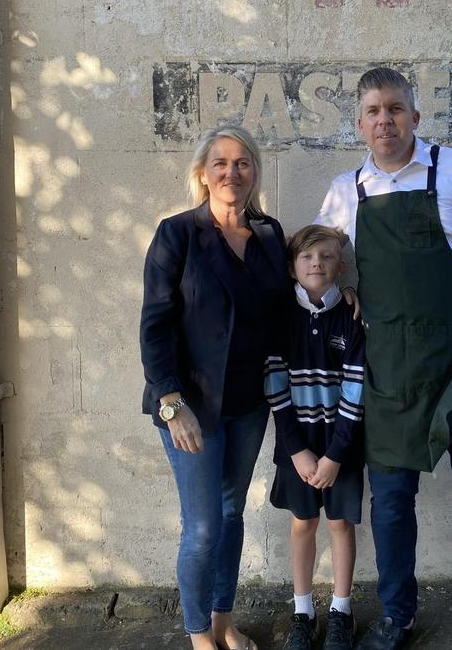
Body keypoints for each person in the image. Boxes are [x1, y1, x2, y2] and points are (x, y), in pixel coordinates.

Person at [315, 68, 452, 650]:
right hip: (388, 379)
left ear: (416, 115)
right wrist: (346, 285)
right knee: (390, 505)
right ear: (360, 123)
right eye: (375, 111)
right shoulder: (345, 191)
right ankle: (396, 615)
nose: (386, 120)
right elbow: (317, 267)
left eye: (396, 109)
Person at [140, 125, 293, 650]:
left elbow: (293, 297)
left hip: (250, 405)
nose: (232, 172)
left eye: (243, 163)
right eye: (221, 163)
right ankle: (198, 633)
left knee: (231, 515)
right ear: (204, 174)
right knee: (203, 527)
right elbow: (155, 323)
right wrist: (169, 402)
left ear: (254, 173)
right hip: (190, 406)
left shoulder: (270, 235)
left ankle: (224, 621)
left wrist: (342, 291)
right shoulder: (177, 233)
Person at [264, 225, 365, 650]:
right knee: (303, 522)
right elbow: (275, 387)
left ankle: (342, 610)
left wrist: (336, 454)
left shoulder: (353, 315)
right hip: (298, 449)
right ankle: (302, 611)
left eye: (325, 256)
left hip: (341, 448)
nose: (316, 263)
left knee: (340, 523)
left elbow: (356, 388)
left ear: (341, 266)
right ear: (291, 267)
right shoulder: (280, 317)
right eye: (306, 257)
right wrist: (299, 451)